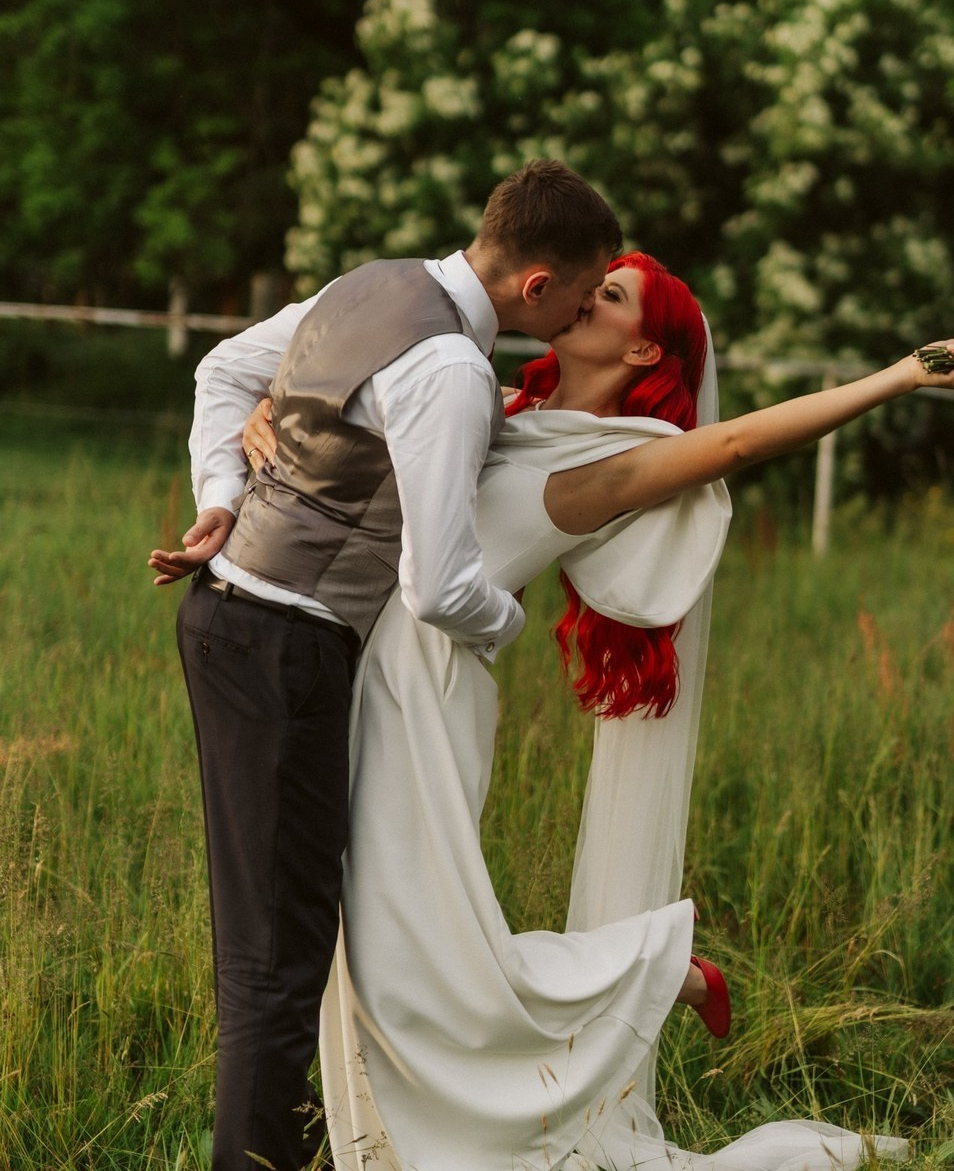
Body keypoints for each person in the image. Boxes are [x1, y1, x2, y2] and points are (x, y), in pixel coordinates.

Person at [239, 252, 954, 1168]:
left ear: (642, 348)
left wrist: (908, 372)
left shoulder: (613, 462)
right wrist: (269, 411)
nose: (583, 296)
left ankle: (651, 968)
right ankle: (418, 1124)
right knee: (365, 942)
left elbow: (738, 444)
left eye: (609, 295)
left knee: (400, 950)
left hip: (425, 699)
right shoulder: (503, 408)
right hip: (357, 661)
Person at [147, 159, 625, 1171]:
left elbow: (223, 369)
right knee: (278, 957)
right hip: (287, 648)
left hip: (229, 617)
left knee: (278, 938)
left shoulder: (372, 285)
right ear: (537, 283)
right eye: (586, 291)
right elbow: (440, 586)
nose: (588, 309)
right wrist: (509, 621)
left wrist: (220, 497)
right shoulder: (448, 369)